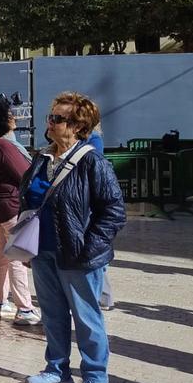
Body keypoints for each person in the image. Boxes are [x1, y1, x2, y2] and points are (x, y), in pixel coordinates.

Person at [20, 92, 125, 383]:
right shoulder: (41, 157)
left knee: (87, 318)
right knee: (52, 315)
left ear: (79, 127)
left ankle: (96, 377)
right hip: (43, 251)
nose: (49, 123)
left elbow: (114, 210)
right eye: (50, 117)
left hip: (78, 255)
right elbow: (28, 200)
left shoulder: (92, 160)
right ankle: (57, 369)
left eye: (58, 118)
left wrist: (90, 247)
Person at [0, 102, 40, 325]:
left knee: (1, 256)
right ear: (1, 120)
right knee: (17, 257)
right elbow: (25, 174)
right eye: (10, 115)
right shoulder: (4, 146)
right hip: (11, 207)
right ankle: (24, 308)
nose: (14, 118)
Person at [87, 126, 115, 311]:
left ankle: (104, 297)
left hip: (91, 206)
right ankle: (102, 296)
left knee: (95, 255)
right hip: (86, 206)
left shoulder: (94, 140)